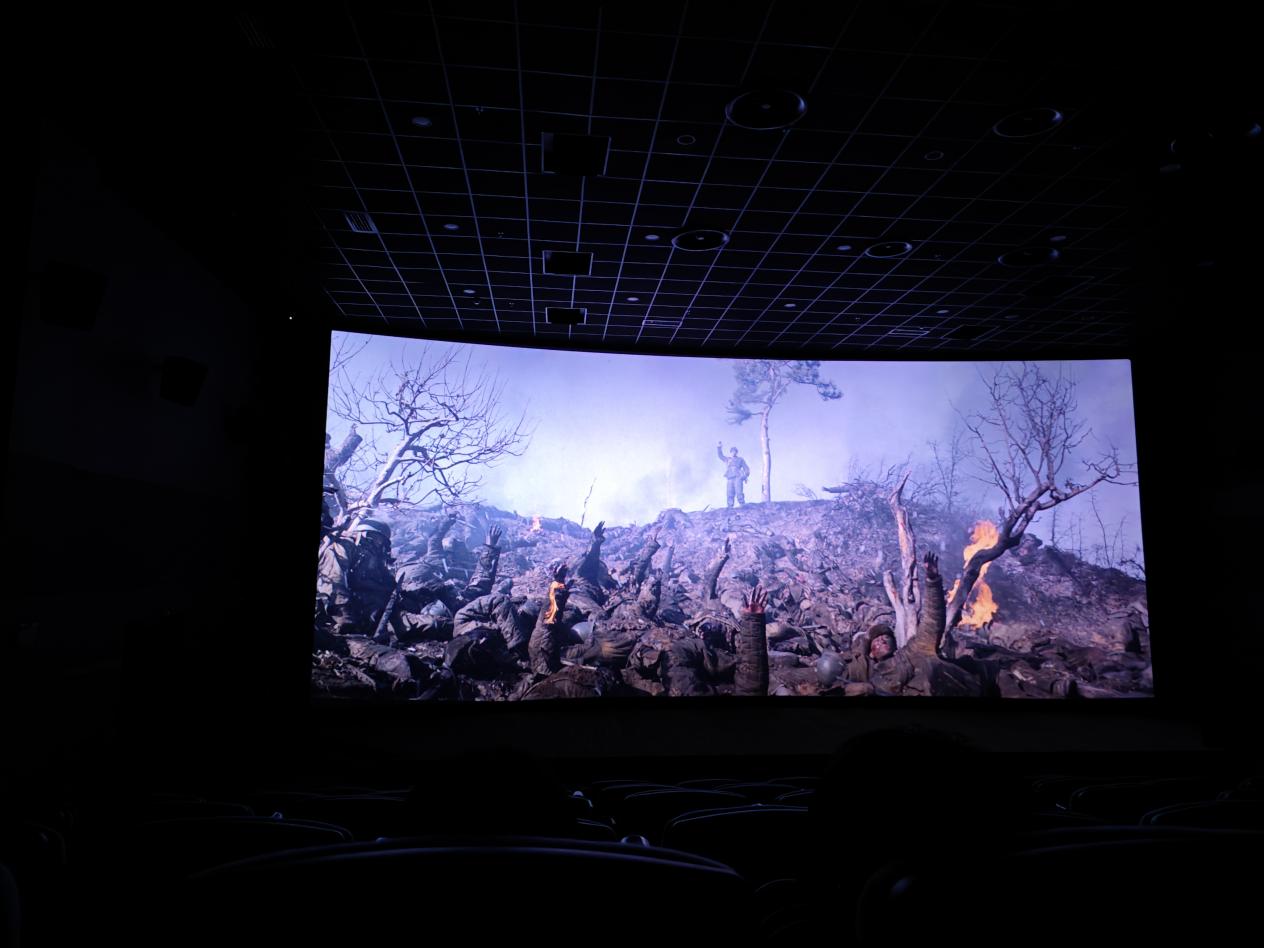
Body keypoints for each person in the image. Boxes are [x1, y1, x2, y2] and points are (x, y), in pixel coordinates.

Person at [845, 552, 984, 697]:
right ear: (871, 654)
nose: (882, 640)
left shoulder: (913, 650)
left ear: (895, 644)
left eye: (886, 637)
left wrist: (932, 582)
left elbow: (931, 622)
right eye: (876, 641)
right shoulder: (875, 682)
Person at [716, 442, 750, 507]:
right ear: (730, 452)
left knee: (739, 492)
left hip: (738, 477)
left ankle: (742, 505)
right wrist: (719, 447)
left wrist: (745, 475)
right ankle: (730, 507)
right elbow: (720, 456)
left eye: (735, 451)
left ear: (736, 452)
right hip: (730, 478)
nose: (733, 453)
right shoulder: (727, 459)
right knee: (729, 493)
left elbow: (746, 468)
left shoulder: (740, 459)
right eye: (732, 451)